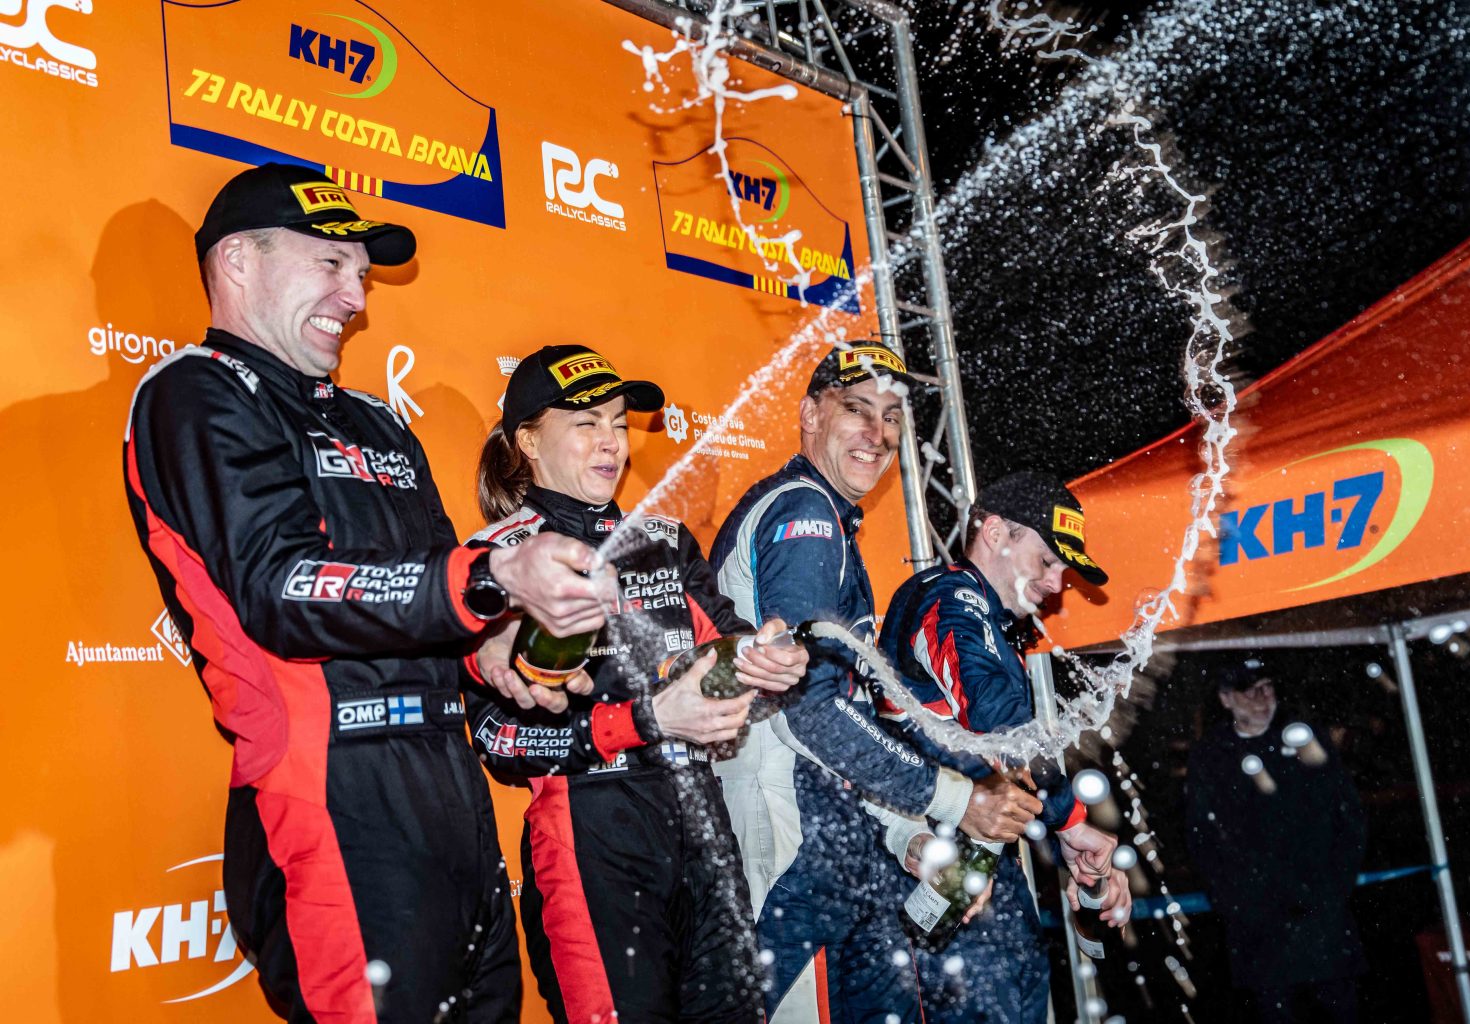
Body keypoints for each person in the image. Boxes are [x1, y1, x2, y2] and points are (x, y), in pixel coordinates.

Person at [124, 163, 616, 1022]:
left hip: (451, 792)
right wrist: (489, 577)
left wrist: (492, 648)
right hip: (329, 789)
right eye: (331, 264)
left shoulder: (378, 421)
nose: (355, 298)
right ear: (238, 261)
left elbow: (433, 591)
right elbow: (280, 587)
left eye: (361, 274)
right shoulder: (195, 393)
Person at [462, 344, 809, 1024]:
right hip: (592, 834)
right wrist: (638, 722)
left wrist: (769, 660)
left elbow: (730, 654)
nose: (611, 441)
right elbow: (496, 739)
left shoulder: (664, 540)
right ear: (528, 441)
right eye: (586, 423)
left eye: (619, 423)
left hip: (703, 828)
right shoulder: (498, 561)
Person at [709, 340, 1044, 1022]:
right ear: (810, 415)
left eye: (891, 417)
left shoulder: (830, 522)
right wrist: (958, 800)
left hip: (829, 835)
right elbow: (810, 709)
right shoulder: (804, 513)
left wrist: (904, 835)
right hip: (788, 831)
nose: (878, 432)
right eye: (857, 409)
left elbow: (847, 716)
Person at [876, 471, 1133, 1024]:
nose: (1057, 583)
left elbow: (1001, 755)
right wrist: (1070, 820)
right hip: (933, 869)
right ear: (994, 533)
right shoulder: (949, 597)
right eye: (1047, 560)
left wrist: (1063, 832)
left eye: (1064, 568)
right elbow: (1002, 727)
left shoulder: (988, 617)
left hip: (979, 870)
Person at [1184, 659, 1368, 1023]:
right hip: (1258, 921)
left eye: (1267, 687)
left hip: (1320, 910)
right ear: (1226, 699)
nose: (1263, 698)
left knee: (1340, 1007)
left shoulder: (1303, 738)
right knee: (1275, 1011)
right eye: (1250, 691)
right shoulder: (1212, 755)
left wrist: (1334, 886)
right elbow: (1201, 835)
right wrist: (1232, 899)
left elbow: (1348, 816)